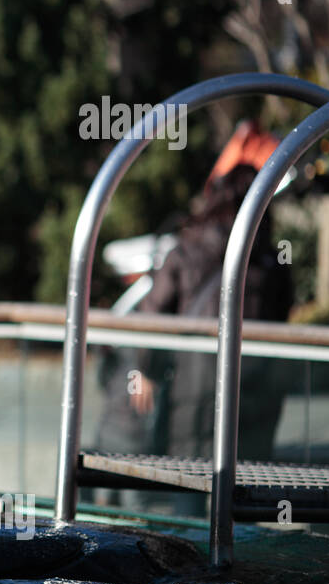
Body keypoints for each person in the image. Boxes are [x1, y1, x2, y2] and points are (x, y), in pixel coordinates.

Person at [94, 165, 294, 463]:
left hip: (193, 392)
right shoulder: (272, 264)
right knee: (246, 486)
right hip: (254, 397)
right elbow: (282, 323)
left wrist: (145, 370)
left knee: (189, 482)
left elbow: (152, 313)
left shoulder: (185, 251)